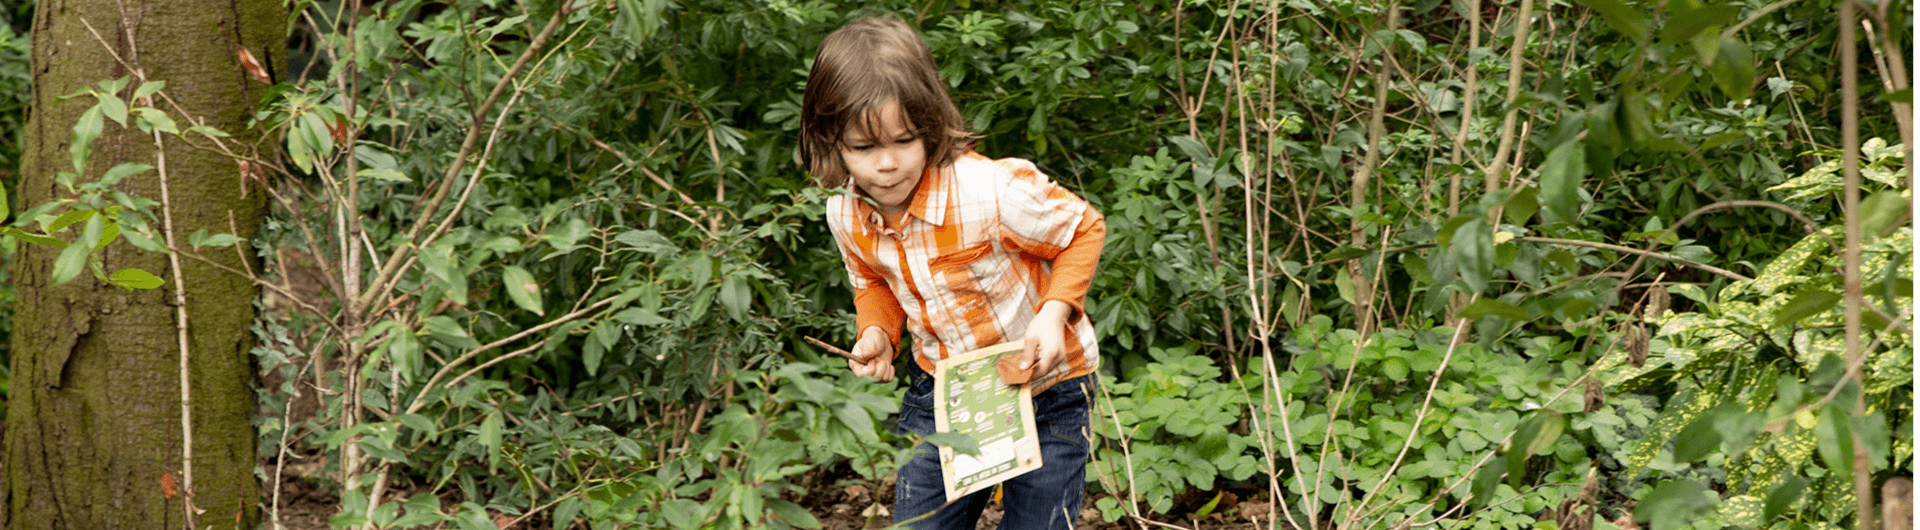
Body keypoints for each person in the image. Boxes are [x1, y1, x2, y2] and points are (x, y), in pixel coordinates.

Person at [797, 15, 1108, 530]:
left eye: (904, 140)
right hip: (943, 393)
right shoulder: (845, 214)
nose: (887, 164)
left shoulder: (989, 191)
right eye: (864, 148)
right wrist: (877, 330)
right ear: (830, 140)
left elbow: (1082, 229)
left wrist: (1054, 314)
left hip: (1046, 390)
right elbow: (873, 279)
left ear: (930, 124)